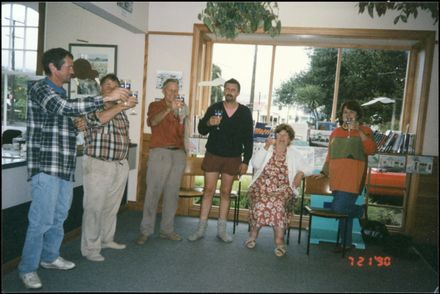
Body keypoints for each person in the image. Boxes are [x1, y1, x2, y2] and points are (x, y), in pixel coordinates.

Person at [18, 48, 129, 289]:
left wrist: (76, 126)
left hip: (65, 165)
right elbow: (65, 108)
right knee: (41, 220)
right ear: (53, 68)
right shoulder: (41, 89)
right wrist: (107, 98)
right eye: (68, 66)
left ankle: (49, 257)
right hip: (46, 165)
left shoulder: (61, 93)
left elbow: (67, 118)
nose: (71, 70)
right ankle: (27, 268)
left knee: (59, 217)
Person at [78, 74, 137, 262]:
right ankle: (90, 248)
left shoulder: (121, 112)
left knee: (111, 207)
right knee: (94, 208)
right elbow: (100, 119)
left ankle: (106, 239)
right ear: (101, 89)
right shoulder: (92, 105)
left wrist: (121, 107)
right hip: (98, 164)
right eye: (108, 86)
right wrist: (121, 104)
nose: (111, 89)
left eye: (115, 86)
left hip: (119, 165)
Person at [188, 78, 253, 243]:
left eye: (233, 89)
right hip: (213, 155)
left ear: (237, 93)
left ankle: (221, 231)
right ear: (224, 91)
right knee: (208, 190)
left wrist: (246, 161)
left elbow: (249, 139)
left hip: (233, 157)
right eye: (227, 88)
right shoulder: (214, 108)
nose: (229, 91)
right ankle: (200, 229)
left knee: (225, 193)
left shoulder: (245, 112)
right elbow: (201, 129)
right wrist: (209, 122)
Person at [313, 100, 377, 252]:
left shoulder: (366, 130)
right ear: (341, 115)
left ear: (357, 115)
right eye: (345, 112)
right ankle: (346, 243)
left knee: (339, 208)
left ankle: (360, 211)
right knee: (344, 212)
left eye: (352, 112)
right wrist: (324, 172)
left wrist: (358, 131)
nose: (348, 115)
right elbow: (330, 155)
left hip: (353, 178)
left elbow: (371, 150)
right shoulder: (335, 133)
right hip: (336, 178)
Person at [246, 124, 314, 256]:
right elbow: (255, 164)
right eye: (280, 134)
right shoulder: (268, 149)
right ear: (275, 136)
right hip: (261, 186)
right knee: (261, 202)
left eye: (286, 135)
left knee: (277, 204)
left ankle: (279, 241)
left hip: (284, 188)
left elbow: (309, 168)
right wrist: (266, 146)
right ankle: (253, 236)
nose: (282, 137)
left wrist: (300, 174)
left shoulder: (294, 153)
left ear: (290, 139)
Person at [135, 78, 189, 245]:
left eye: (176, 90)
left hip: (178, 154)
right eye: (170, 90)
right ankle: (146, 231)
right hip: (160, 152)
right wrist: (168, 109)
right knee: (153, 192)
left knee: (172, 194)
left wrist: (187, 150)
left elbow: (185, 130)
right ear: (163, 91)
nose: (174, 93)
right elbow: (153, 122)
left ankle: (167, 230)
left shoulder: (183, 108)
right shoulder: (155, 105)